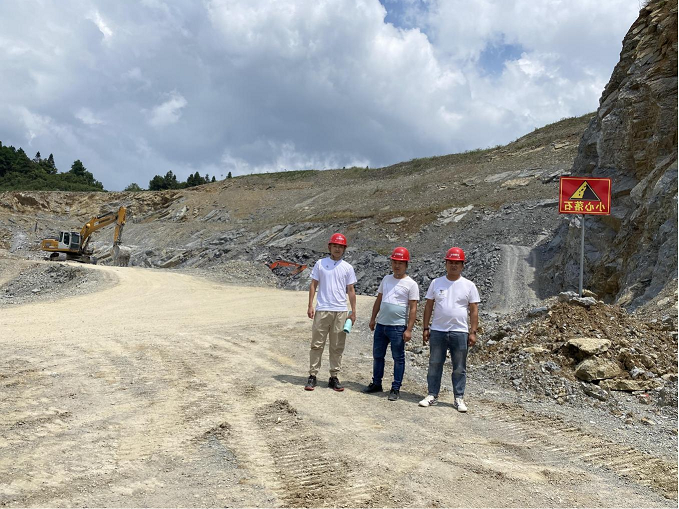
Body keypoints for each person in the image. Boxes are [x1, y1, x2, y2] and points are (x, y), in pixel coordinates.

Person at [419, 247, 479, 412]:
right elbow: (428, 306)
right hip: (438, 330)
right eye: (450, 262)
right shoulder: (436, 283)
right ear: (445, 263)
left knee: (459, 366)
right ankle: (432, 394)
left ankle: (458, 397)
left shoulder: (469, 285)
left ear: (462, 265)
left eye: (457, 263)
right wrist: (426, 328)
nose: (453, 265)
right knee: (434, 363)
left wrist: (473, 332)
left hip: (460, 331)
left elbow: (474, 310)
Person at [363, 247, 419, 401]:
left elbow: (413, 308)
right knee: (378, 355)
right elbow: (379, 300)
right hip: (381, 325)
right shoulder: (386, 279)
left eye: (400, 262)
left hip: (398, 327)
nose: (397, 265)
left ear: (406, 264)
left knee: (398, 358)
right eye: (394, 262)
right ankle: (376, 383)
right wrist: (373, 318)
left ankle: (395, 388)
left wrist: (409, 329)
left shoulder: (411, 284)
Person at [305, 233, 357, 392]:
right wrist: (310, 305)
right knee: (317, 344)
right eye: (335, 246)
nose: (337, 249)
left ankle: (334, 376)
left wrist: (353, 311)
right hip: (322, 309)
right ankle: (313, 375)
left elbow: (351, 290)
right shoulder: (320, 264)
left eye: (340, 247)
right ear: (329, 247)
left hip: (340, 311)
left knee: (337, 346)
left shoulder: (347, 267)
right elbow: (313, 284)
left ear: (344, 249)